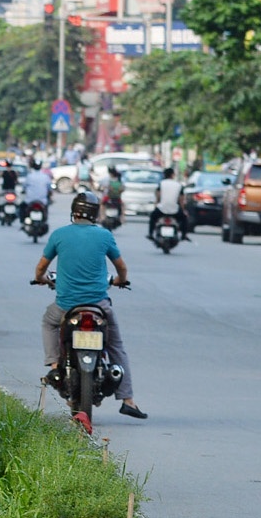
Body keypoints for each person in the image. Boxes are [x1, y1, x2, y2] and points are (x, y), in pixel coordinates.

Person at [32, 191, 145, 421]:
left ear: (73, 211)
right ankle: (128, 399)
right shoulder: (104, 236)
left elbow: (40, 268)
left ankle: (54, 363)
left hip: (66, 306)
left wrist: (42, 279)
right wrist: (120, 281)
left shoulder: (59, 235)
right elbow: (121, 268)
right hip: (99, 306)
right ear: (95, 214)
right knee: (116, 346)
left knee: (49, 322)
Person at [151, 166, 190, 242]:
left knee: (153, 217)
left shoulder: (161, 184)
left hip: (161, 209)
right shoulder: (178, 185)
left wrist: (156, 205)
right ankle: (184, 235)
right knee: (184, 218)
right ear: (173, 175)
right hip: (174, 210)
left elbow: (158, 197)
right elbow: (181, 200)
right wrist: (183, 210)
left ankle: (150, 233)